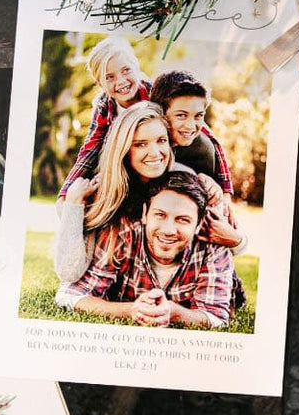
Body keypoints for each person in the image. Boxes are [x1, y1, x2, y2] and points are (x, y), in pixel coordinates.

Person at [52, 103, 244, 284]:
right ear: (124, 149)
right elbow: (69, 272)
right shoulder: (103, 191)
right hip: (122, 291)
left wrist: (237, 241)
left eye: (161, 140)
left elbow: (222, 239)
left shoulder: (187, 181)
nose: (155, 153)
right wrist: (73, 204)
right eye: (140, 144)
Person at [55, 171, 234, 328]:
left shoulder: (214, 248)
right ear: (145, 213)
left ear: (199, 224)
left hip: (219, 277)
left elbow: (216, 317)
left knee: (234, 295)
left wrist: (173, 312)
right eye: (160, 215)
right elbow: (69, 295)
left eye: (183, 219)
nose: (168, 230)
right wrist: (131, 310)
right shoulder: (122, 233)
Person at [58, 37, 152, 200]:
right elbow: (90, 148)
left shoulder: (156, 94)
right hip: (121, 169)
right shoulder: (104, 107)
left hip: (156, 162)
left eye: (126, 70)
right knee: (103, 149)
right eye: (109, 77)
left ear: (136, 67)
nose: (121, 81)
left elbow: (192, 126)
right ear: (100, 84)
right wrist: (65, 194)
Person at [149, 71, 233, 195]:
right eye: (181, 115)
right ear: (159, 112)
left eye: (198, 116)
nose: (190, 126)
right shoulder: (139, 140)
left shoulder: (203, 151)